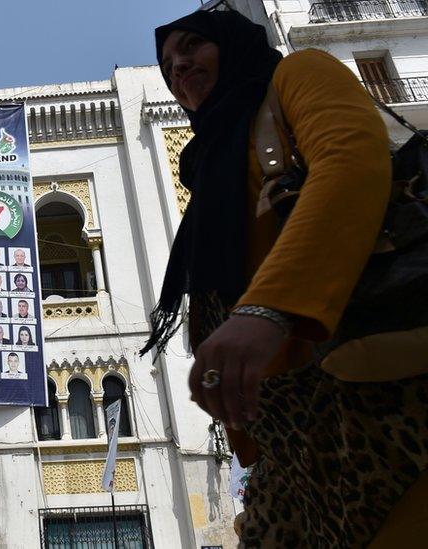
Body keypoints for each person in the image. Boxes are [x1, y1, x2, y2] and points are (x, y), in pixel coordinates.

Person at [147, 11, 428, 547]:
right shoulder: (209, 161)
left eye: (192, 46)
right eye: (166, 64)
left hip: (379, 393)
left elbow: (350, 159)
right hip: (293, 440)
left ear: (233, 46)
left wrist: (269, 309)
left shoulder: (296, 75)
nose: (178, 65)